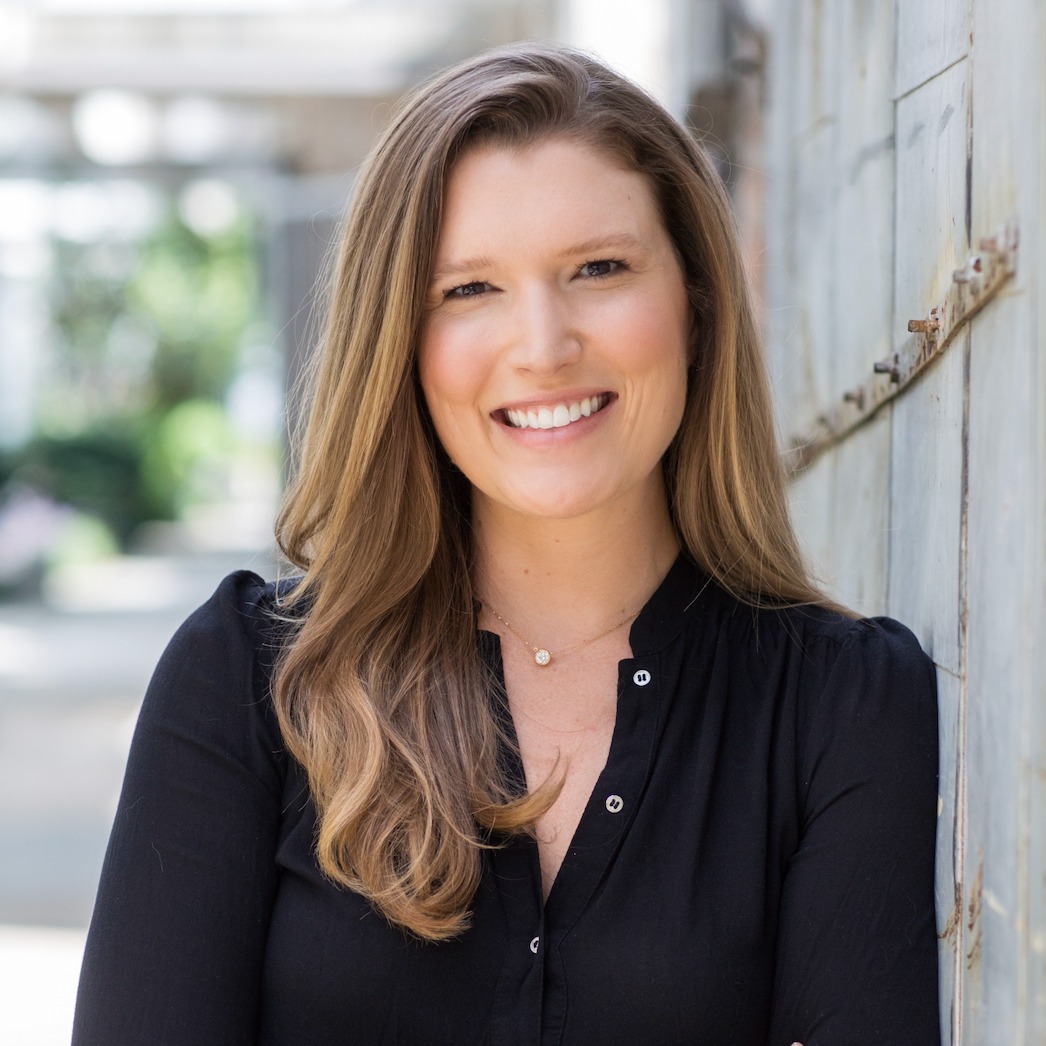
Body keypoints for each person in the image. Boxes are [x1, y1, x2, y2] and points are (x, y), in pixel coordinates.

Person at [72, 43, 940, 1045]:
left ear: (696, 303)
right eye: (468, 289)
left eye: (598, 269)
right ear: (398, 336)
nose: (541, 342)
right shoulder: (250, 683)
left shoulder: (841, 705)